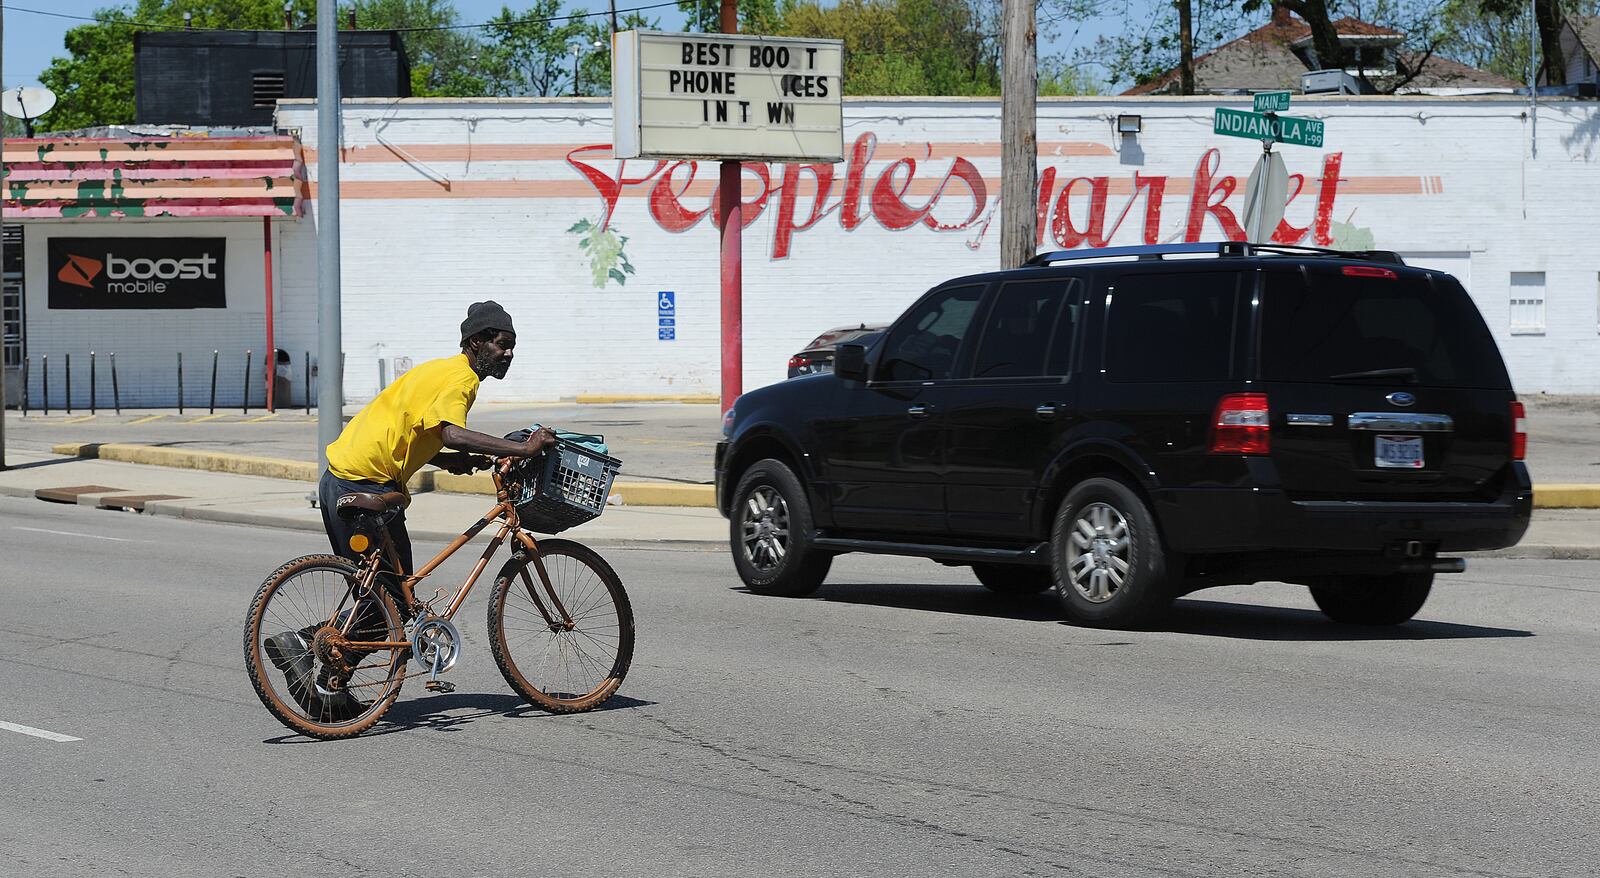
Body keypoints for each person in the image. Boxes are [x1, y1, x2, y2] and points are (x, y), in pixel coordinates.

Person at [264, 300, 555, 719]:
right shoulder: (460, 380)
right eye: (501, 344)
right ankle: (305, 643)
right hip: (363, 484)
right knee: (392, 603)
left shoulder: (440, 370)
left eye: (512, 346)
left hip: (346, 479)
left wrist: (446, 459)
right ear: (476, 343)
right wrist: (523, 448)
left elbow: (414, 429)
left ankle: (326, 688)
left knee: (384, 595)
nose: (508, 353)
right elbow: (451, 431)